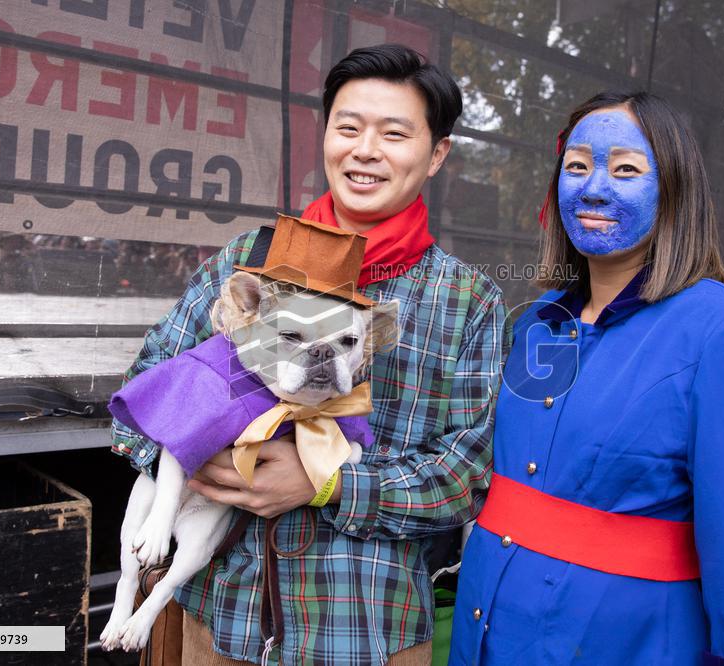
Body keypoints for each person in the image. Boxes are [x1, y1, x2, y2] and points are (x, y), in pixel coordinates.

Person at [111, 44, 507, 665]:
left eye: (394, 133)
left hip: (365, 630)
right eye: (347, 127)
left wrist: (328, 484)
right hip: (219, 622)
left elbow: (468, 476)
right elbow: (141, 395)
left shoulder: (465, 300)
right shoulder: (250, 257)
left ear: (436, 155)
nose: (365, 150)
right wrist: (205, 449)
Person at [448, 91, 724, 665]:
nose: (594, 187)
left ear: (675, 189)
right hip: (487, 628)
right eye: (576, 166)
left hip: (623, 641)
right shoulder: (537, 322)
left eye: (625, 169)